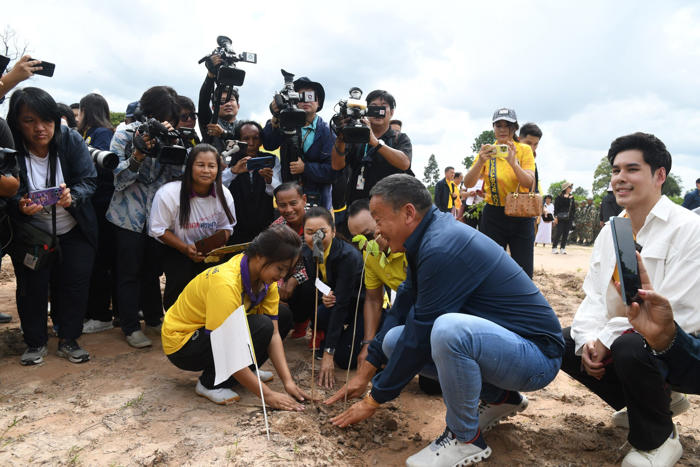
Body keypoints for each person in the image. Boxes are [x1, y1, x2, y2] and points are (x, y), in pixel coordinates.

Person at [325, 174, 564, 467]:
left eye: (378, 218)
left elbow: (421, 332)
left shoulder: (441, 246)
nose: (375, 230)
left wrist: (374, 399)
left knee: (447, 330)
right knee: (391, 340)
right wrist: (364, 373)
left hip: (536, 357)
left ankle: (464, 439)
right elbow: (402, 309)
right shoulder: (426, 238)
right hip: (505, 349)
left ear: (409, 213)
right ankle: (502, 398)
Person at [560, 132, 700, 467]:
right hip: (635, 340)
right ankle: (653, 401)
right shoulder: (612, 231)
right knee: (564, 342)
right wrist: (589, 340)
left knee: (630, 346)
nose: (620, 178)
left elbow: (680, 316)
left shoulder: (688, 229)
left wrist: (608, 338)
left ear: (659, 175)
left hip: (683, 346)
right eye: (615, 170)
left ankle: (656, 440)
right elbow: (595, 295)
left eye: (632, 169)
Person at [162, 224, 310, 408]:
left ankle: (245, 371)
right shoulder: (225, 283)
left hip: (216, 336)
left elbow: (274, 335)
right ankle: (211, 383)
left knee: (282, 316)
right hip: (183, 344)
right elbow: (225, 346)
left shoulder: (266, 281)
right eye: (280, 268)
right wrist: (268, 395)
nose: (282, 276)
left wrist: (288, 382)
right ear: (260, 256)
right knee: (261, 325)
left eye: (286, 271)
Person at [6, 87, 98, 365]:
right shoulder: (10, 149)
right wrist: (18, 205)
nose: (40, 129)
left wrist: (74, 196)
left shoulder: (69, 139)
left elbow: (89, 180)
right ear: (16, 122)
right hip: (32, 233)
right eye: (29, 120)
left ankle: (69, 339)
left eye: (47, 120)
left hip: (75, 228)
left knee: (75, 286)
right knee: (31, 288)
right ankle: (35, 342)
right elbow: (6, 192)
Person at [106, 85, 182, 348]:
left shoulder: (171, 137)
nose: (165, 123)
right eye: (162, 117)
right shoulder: (125, 134)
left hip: (156, 219)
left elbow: (176, 180)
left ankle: (153, 318)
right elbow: (117, 180)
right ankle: (129, 326)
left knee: (151, 271)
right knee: (128, 273)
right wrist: (137, 154)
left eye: (170, 118)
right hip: (127, 217)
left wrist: (175, 146)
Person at [150, 144, 237, 311]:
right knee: (179, 285)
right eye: (200, 165)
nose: (206, 170)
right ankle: (175, 327)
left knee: (212, 288)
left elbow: (227, 227)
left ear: (218, 169)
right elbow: (159, 229)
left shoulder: (224, 194)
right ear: (190, 167)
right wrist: (185, 248)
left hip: (209, 251)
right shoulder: (168, 193)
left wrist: (217, 244)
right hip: (176, 248)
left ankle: (207, 330)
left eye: (211, 166)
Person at [296, 207, 364, 387]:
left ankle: (360, 344)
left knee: (342, 359)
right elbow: (316, 284)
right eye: (310, 233)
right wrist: (323, 296)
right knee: (321, 313)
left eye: (322, 232)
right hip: (338, 300)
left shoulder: (347, 256)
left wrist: (329, 352)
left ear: (333, 231)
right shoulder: (309, 252)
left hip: (361, 306)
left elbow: (342, 303)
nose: (316, 238)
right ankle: (341, 339)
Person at [463, 108, 536, 277]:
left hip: (521, 214)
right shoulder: (488, 151)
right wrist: (480, 161)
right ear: (493, 128)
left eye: (507, 125)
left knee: (523, 267)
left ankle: (522, 300)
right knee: (490, 266)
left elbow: (528, 181)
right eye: (498, 125)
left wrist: (513, 163)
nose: (503, 129)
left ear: (514, 128)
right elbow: (468, 183)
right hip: (493, 215)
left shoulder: (524, 150)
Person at [77, 93, 118, 334]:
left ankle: (102, 314)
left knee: (100, 262)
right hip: (92, 205)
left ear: (86, 111)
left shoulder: (102, 134)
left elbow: (104, 170)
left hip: (102, 206)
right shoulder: (89, 133)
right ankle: (93, 311)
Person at [331, 90, 413, 208]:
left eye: (383, 107)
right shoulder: (355, 136)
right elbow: (336, 166)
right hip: (357, 208)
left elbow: (405, 163)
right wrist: (340, 138)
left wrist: (375, 142)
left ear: (392, 112)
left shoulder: (399, 138)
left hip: (391, 207)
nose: (377, 111)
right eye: (373, 107)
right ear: (365, 110)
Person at [263, 76, 334, 210]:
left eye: (310, 96)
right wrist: (275, 116)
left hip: (318, 202)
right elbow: (269, 144)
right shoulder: (283, 123)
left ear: (318, 102)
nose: (306, 100)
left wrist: (306, 168)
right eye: (300, 96)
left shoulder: (327, 132)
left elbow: (334, 171)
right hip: (289, 201)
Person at [223, 121, 280, 244]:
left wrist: (269, 180)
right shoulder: (228, 159)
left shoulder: (271, 160)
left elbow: (278, 191)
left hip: (264, 226)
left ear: (261, 140)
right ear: (238, 141)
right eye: (246, 139)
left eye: (255, 138)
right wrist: (233, 171)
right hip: (235, 228)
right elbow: (218, 186)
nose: (251, 143)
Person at [198, 55, 240, 154]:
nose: (227, 104)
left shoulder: (244, 126)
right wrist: (210, 75)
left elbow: (243, 145)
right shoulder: (210, 122)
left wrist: (223, 134)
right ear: (213, 107)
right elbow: (204, 101)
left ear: (238, 105)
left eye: (231, 100)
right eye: (221, 102)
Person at [551, 182, 575, 254]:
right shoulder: (559, 197)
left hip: (569, 218)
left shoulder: (572, 197)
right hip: (560, 217)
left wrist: (572, 218)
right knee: (559, 232)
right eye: (569, 187)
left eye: (571, 187)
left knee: (566, 233)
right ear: (565, 188)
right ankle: (554, 247)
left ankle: (562, 248)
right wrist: (555, 217)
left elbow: (573, 208)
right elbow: (556, 208)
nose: (571, 189)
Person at [519, 123, 543, 193]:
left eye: (536, 144)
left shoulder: (532, 159)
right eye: (528, 143)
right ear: (519, 139)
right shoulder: (511, 157)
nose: (532, 148)